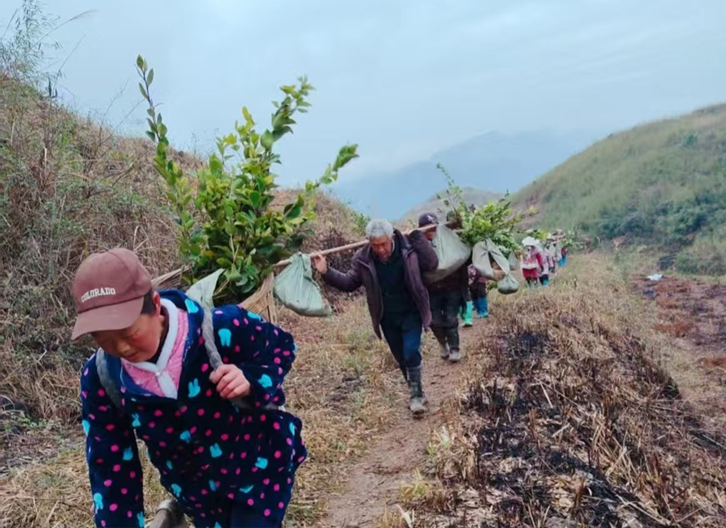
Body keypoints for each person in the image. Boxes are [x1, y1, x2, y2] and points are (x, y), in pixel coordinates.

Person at [72, 248, 305, 528]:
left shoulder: (220, 328)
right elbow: (111, 466)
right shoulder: (102, 378)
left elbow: (281, 346)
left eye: (130, 333)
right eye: (105, 340)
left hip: (259, 469)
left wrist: (251, 379)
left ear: (156, 306)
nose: (121, 347)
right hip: (196, 494)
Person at [312, 218, 438, 415]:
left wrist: (417, 237)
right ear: (369, 242)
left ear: (392, 237)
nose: (380, 249)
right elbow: (349, 283)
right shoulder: (363, 259)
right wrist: (326, 271)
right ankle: (417, 391)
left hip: (411, 311)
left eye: (383, 244)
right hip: (386, 317)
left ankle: (416, 397)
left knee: (411, 351)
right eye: (375, 245)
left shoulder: (408, 249)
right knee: (401, 358)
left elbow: (432, 263)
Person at [419, 213, 468, 362]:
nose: (431, 233)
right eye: (427, 230)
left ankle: (454, 348)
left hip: (451, 287)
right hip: (431, 290)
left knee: (450, 317)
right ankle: (443, 343)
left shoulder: (449, 241)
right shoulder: (418, 245)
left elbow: (463, 256)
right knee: (434, 321)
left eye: (434, 229)